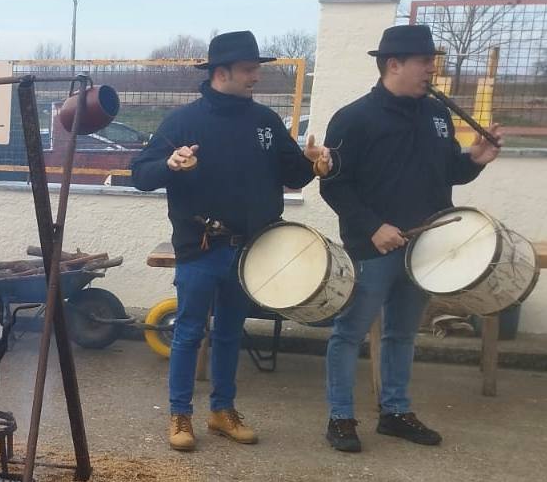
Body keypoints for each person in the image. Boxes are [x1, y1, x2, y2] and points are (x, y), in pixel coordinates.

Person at [132, 30, 329, 451]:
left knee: (230, 333)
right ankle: (180, 416)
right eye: (249, 69)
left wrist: (313, 165)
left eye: (257, 68)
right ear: (222, 73)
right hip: (201, 248)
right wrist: (169, 164)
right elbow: (141, 175)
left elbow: (292, 174)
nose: (256, 76)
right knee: (188, 332)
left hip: (251, 250)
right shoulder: (183, 122)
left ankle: (222, 411)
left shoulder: (265, 122)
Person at [319, 25, 502, 453]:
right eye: (425, 63)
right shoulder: (354, 118)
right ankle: (341, 417)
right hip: (374, 248)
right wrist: (372, 227)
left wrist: (474, 160)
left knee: (402, 334)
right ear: (394, 64)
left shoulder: (436, 115)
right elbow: (334, 185)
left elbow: (445, 172)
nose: (431, 72)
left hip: (427, 247)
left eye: (432, 63)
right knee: (349, 333)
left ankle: (395, 412)